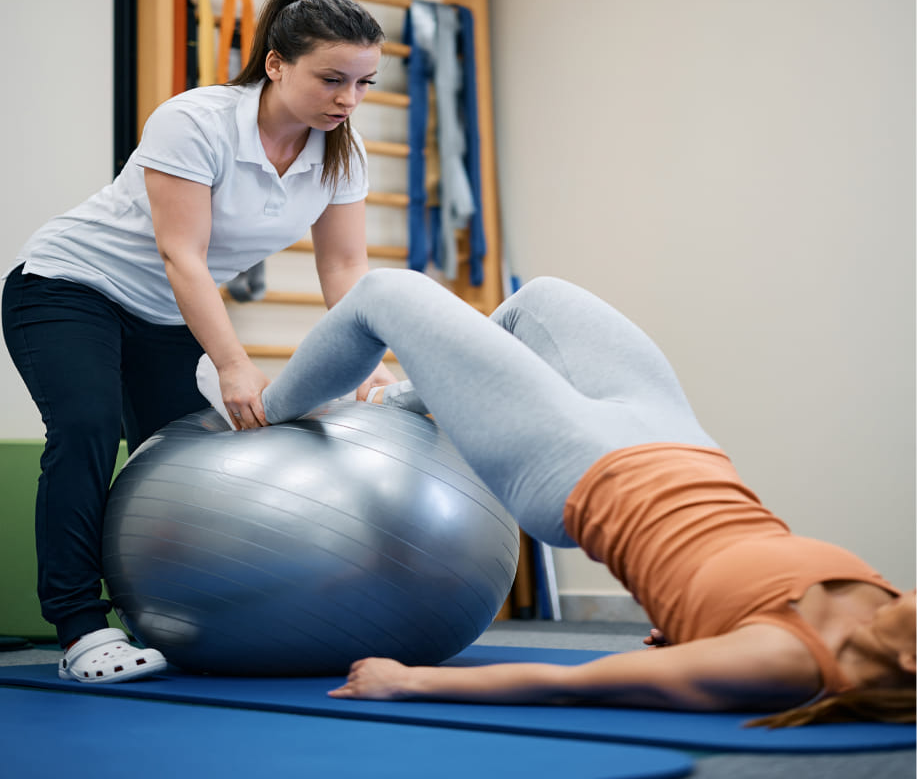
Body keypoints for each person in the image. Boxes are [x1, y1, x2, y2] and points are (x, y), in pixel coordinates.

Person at [195, 268, 916, 727]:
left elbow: (581, 683)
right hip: (678, 440)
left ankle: (259, 409)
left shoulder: (784, 662)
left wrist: (409, 683)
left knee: (384, 294)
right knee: (540, 300)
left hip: (578, 472)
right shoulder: (884, 606)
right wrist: (698, 625)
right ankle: (409, 399)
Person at [2, 0, 396, 684]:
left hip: (163, 314)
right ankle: (80, 627)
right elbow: (180, 253)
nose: (349, 100)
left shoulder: (342, 152)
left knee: (183, 456)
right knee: (90, 426)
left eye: (365, 82)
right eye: (332, 79)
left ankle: (164, 613)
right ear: (275, 63)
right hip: (68, 287)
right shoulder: (198, 120)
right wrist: (234, 361)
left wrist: (369, 360)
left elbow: (343, 267)